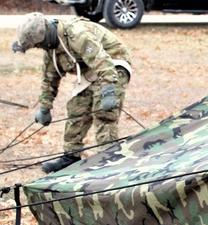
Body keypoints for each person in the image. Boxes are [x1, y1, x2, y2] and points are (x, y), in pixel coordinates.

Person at [12, 12, 133, 173]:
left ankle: (108, 158)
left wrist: (108, 90)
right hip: (90, 71)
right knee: (77, 109)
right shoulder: (51, 47)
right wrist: (44, 107)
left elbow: (102, 62)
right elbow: (49, 78)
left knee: (104, 112)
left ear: (44, 36)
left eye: (37, 44)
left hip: (112, 64)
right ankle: (70, 157)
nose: (38, 48)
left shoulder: (77, 34)